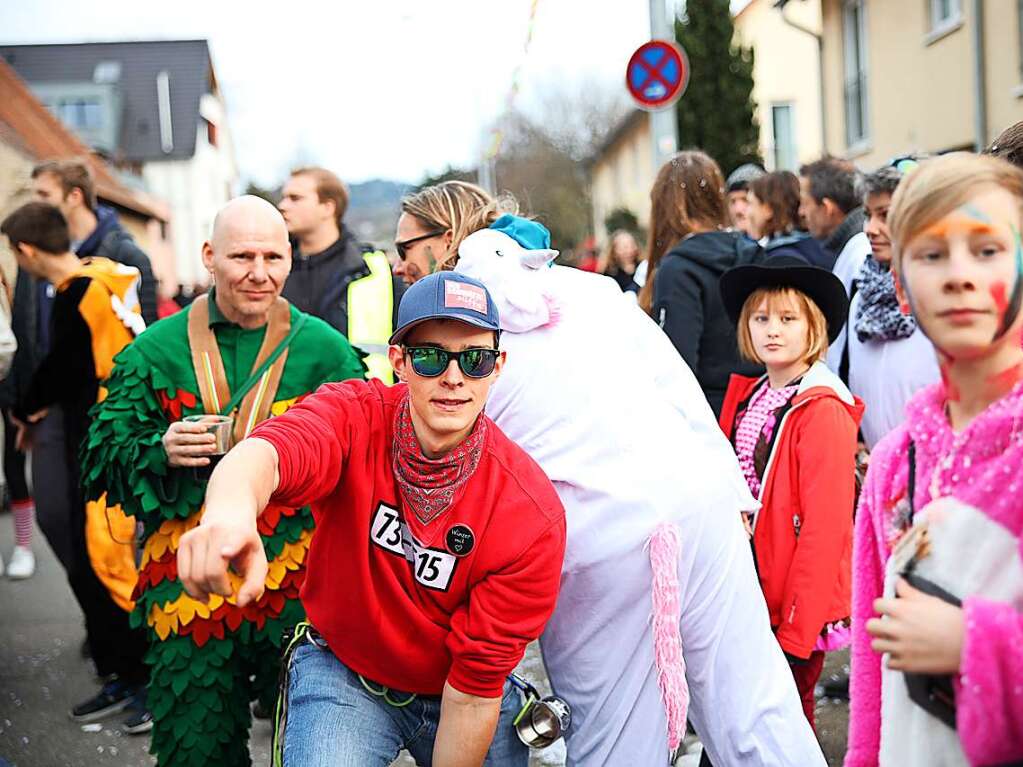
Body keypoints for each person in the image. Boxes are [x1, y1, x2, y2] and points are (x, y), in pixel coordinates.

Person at [455, 215, 827, 766]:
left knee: (617, 733)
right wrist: (733, 491)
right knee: (754, 705)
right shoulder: (596, 293)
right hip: (697, 503)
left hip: (598, 536)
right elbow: (678, 385)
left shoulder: (464, 330)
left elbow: (466, 463)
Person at [176, 271, 565, 767]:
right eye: (429, 357)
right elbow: (271, 452)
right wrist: (229, 514)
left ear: (497, 366)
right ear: (399, 362)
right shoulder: (355, 415)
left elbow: (473, 690)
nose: (453, 378)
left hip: (465, 691)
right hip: (346, 670)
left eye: (474, 359)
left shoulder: (529, 512)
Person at [80, 196, 367, 764]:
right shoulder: (154, 352)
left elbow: (364, 462)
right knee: (197, 744)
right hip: (187, 585)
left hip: (299, 585)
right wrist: (156, 450)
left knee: (315, 745)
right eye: (241, 256)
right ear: (209, 256)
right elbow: (101, 456)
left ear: (290, 258)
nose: (259, 274)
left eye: (272, 257)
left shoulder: (326, 353)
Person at [846, 153, 1023, 767]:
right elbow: (872, 672)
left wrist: (973, 644)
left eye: (987, 249)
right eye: (930, 254)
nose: (958, 276)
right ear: (900, 285)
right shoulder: (896, 465)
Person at [0, 201, 150, 723]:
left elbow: (62, 367)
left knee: (106, 560)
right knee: (106, 555)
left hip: (100, 437)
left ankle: (139, 680)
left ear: (26, 251)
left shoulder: (77, 294)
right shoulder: (106, 280)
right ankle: (122, 674)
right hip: (120, 431)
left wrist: (21, 407)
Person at [717, 255, 863, 729]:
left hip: (792, 602)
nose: (772, 330)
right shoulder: (751, 394)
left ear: (813, 327)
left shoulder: (822, 409)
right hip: (749, 586)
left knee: (785, 718)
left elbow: (825, 528)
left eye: (787, 319)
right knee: (748, 714)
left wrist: (798, 628)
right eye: (761, 319)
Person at [641, 150, 764, 417]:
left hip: (708, 421)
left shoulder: (678, 269)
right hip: (759, 412)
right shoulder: (752, 252)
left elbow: (675, 368)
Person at [277, 166, 405, 382]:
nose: (282, 206)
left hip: (362, 406)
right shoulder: (274, 268)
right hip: (286, 408)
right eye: (284, 197)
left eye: (295, 198)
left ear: (328, 207)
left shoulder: (375, 269)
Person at [848, 161, 940, 449]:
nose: (870, 229)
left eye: (885, 215)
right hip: (880, 474)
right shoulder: (861, 298)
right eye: (867, 215)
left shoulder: (946, 297)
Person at [31, 160, 158, 326]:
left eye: (44, 195)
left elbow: (146, 335)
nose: (35, 203)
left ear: (74, 196)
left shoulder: (127, 257)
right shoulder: (35, 252)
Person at [799, 157, 873, 375]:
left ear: (827, 207)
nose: (801, 213)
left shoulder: (861, 255)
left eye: (805, 203)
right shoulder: (852, 248)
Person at [748, 171, 833, 269]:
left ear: (768, 209)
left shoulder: (781, 260)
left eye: (750, 203)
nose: (747, 213)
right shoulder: (818, 246)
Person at [725, 162, 767, 238]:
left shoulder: (783, 246)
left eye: (746, 200)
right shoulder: (722, 245)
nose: (738, 210)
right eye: (732, 201)